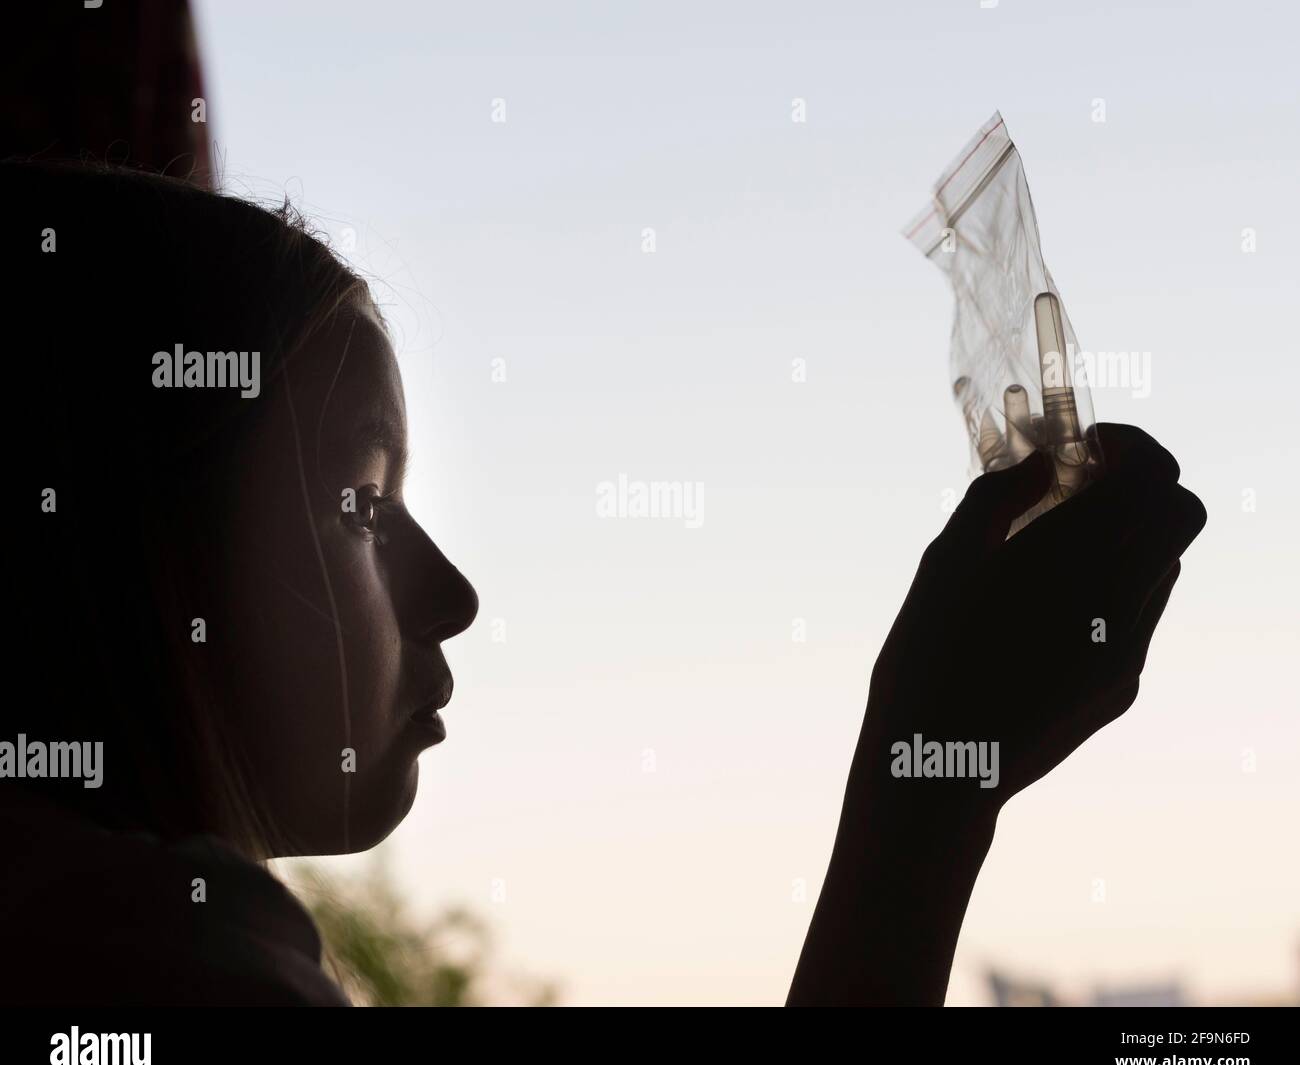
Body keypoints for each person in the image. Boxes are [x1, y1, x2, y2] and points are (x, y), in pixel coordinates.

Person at [0, 161, 1205, 1006]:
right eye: (357, 502)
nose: (454, 593)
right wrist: (927, 795)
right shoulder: (153, 965)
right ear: (127, 558)